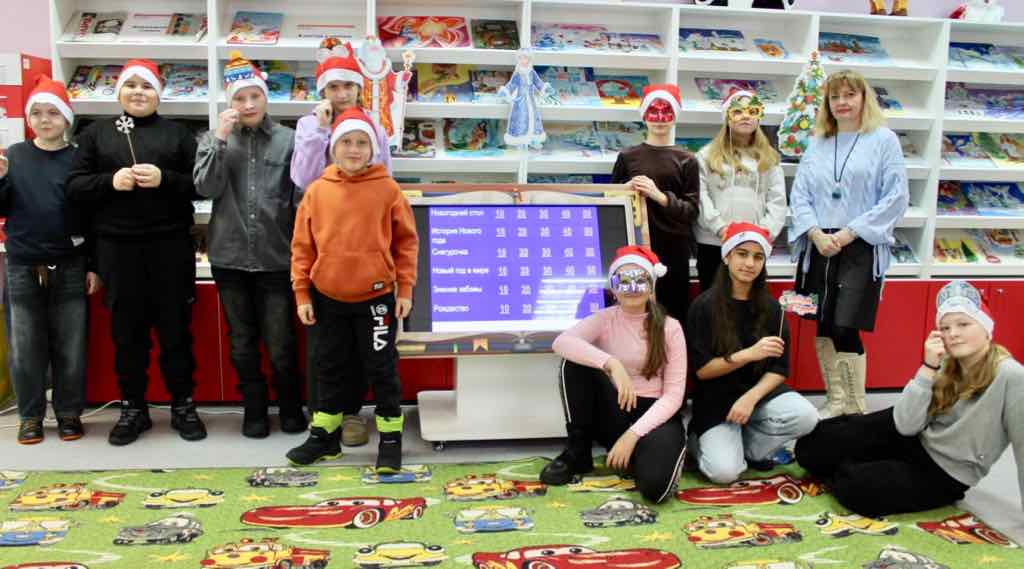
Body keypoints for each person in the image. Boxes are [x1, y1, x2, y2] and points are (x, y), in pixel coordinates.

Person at [795, 280, 1024, 517]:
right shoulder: (946, 361)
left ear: (987, 329)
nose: (953, 334)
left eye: (964, 324)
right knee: (811, 446)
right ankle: (852, 464)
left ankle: (853, 466)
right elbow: (906, 425)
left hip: (945, 472)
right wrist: (928, 367)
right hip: (914, 438)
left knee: (854, 486)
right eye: (945, 328)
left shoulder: (1012, 376)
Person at [66, 58, 204, 445]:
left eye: (146, 86)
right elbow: (74, 186)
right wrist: (110, 182)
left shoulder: (178, 134)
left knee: (176, 333)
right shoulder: (95, 134)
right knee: (128, 336)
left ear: (158, 93)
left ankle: (183, 405)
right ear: (119, 92)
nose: (138, 93)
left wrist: (165, 179)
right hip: (117, 251)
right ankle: (133, 409)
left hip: (170, 249)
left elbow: (201, 184)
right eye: (131, 86)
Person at [286, 108, 418, 472]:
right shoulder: (317, 191)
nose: (354, 149)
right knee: (328, 368)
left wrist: (405, 289)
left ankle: (390, 439)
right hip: (326, 298)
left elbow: (406, 244)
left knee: (382, 369)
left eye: (362, 142)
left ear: (373, 149)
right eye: (346, 141)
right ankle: (324, 439)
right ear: (333, 147)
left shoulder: (388, 190)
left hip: (376, 298)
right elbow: (302, 247)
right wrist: (302, 292)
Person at [193, 53, 307, 438]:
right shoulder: (213, 140)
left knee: (281, 342)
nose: (247, 105)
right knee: (242, 343)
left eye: (254, 96)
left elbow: (300, 200)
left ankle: (290, 407)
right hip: (230, 260)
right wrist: (219, 140)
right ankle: (254, 409)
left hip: (276, 258)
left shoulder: (290, 140)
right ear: (230, 103)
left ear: (265, 97)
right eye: (239, 99)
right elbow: (205, 188)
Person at [788, 69, 909, 418]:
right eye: (835, 96)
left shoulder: (884, 139)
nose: (842, 102)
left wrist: (849, 232)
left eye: (849, 95)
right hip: (819, 243)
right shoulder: (817, 142)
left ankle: (854, 406)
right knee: (822, 320)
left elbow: (896, 196)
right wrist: (814, 233)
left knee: (845, 323)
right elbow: (800, 194)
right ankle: (834, 400)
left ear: (863, 98)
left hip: (859, 244)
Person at [290, 39, 392, 447]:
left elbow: (384, 180)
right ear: (323, 90)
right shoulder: (308, 126)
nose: (341, 93)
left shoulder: (373, 126)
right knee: (325, 344)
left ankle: (352, 414)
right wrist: (319, 130)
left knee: (363, 344)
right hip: (324, 243)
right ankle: (322, 416)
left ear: (358, 87)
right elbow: (302, 179)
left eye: (348, 86)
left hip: (364, 249)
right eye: (333, 87)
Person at [540, 246, 687, 503]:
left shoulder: (670, 328)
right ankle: (578, 452)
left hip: (656, 415)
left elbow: (673, 397)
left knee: (656, 490)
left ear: (651, 287)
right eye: (624, 280)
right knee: (573, 364)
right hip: (615, 409)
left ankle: (643, 454)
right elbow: (561, 342)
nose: (632, 287)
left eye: (640, 280)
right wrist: (611, 364)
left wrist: (632, 435)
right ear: (614, 288)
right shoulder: (604, 319)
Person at [0, 76, 99, 444]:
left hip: (70, 263)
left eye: (53, 113)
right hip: (23, 264)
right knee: (25, 347)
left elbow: (91, 217)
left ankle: (69, 412)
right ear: (29, 118)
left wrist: (94, 265)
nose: (45, 120)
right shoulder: (15, 156)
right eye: (37, 113)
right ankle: (30, 416)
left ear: (67, 118)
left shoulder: (78, 160)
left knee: (70, 345)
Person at [685, 223, 818, 484]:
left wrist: (751, 397)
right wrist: (749, 354)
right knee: (724, 473)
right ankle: (698, 441)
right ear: (727, 257)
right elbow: (703, 371)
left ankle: (747, 449)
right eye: (742, 254)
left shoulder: (772, 308)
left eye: (758, 257)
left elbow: (779, 369)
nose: (749, 263)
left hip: (758, 398)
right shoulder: (703, 307)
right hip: (716, 404)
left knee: (807, 416)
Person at [610, 84, 699, 323]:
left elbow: (691, 211)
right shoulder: (627, 157)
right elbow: (611, 202)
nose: (659, 118)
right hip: (635, 246)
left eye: (666, 111)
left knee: (672, 313)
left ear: (675, 116)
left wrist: (659, 196)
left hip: (674, 249)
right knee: (634, 311)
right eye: (653, 111)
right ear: (644, 115)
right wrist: (626, 190)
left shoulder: (687, 160)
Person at [695, 90, 787, 292]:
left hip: (753, 246)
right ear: (727, 117)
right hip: (714, 243)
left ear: (759, 117)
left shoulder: (769, 158)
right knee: (713, 301)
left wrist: (764, 232)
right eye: (738, 111)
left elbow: (778, 201)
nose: (746, 116)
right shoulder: (706, 155)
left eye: (752, 111)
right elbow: (701, 197)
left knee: (749, 302)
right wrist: (720, 228)